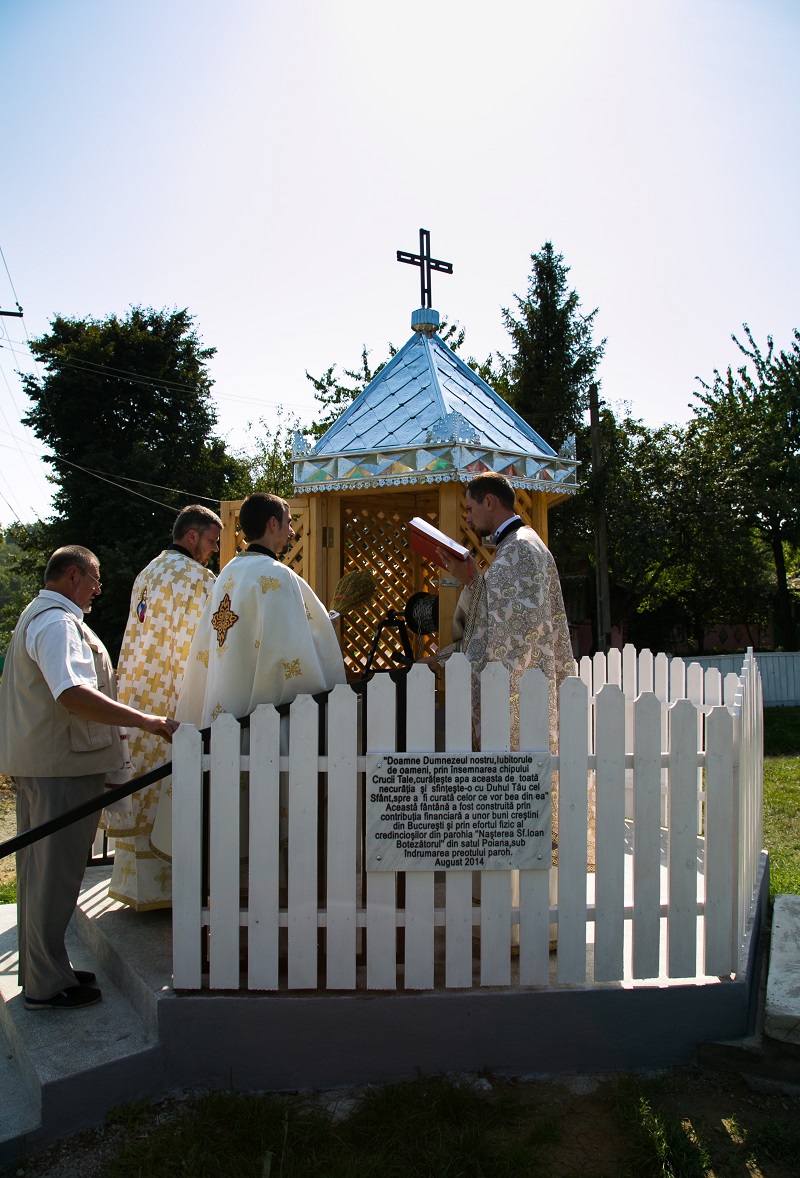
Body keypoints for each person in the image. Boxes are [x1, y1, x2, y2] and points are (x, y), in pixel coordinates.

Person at [0, 546, 177, 1011]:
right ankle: (43, 985)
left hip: (51, 763)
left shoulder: (42, 616)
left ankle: (47, 965)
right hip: (60, 767)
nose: (99, 588)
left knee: (45, 873)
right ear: (72, 574)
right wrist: (146, 721)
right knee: (53, 875)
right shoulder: (58, 624)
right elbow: (72, 693)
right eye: (95, 578)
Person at [150, 492, 346, 859]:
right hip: (266, 720)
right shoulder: (277, 577)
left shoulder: (227, 574)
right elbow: (295, 658)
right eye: (287, 524)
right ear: (273, 524)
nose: (289, 533)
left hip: (224, 708)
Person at [103, 504, 222, 911]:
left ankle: (139, 890)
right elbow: (210, 645)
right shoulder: (198, 580)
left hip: (138, 695)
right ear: (192, 536)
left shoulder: (147, 572)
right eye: (211, 540)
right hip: (173, 697)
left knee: (145, 782)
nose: (213, 549)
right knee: (170, 783)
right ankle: (171, 892)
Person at [434, 473, 574, 749]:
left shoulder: (519, 549)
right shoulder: (519, 544)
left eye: (470, 509)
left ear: (489, 501)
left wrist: (470, 579)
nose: (468, 518)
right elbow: (498, 612)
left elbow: (511, 633)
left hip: (519, 691)